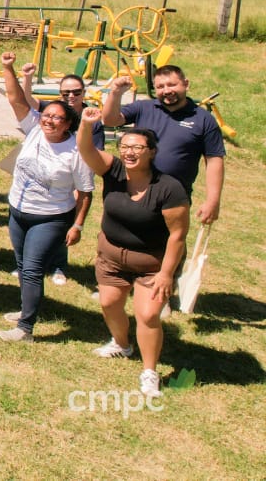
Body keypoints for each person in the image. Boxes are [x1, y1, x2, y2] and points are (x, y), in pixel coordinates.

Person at [76, 107, 190, 398]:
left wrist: (166, 274)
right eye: (124, 146)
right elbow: (86, 150)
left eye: (137, 147)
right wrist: (87, 124)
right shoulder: (113, 170)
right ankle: (122, 344)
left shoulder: (169, 188)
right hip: (112, 258)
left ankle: (149, 372)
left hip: (152, 264)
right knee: (109, 303)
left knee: (148, 315)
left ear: (152, 152)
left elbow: (177, 235)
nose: (129, 152)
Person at [0, 52, 95, 342]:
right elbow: (15, 99)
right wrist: (8, 67)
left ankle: (25, 328)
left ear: (68, 124)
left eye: (57, 118)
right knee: (23, 265)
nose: (49, 120)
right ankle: (26, 308)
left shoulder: (77, 152)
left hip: (50, 218)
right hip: (18, 211)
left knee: (32, 269)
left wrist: (77, 225)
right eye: (47, 115)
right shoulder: (34, 131)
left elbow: (85, 192)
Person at [101, 66, 224, 228]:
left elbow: (214, 161)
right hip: (135, 191)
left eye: (172, 85)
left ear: (186, 84)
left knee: (171, 240)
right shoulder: (143, 108)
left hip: (173, 198)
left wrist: (213, 201)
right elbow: (110, 120)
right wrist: (116, 93)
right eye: (160, 87)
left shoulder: (204, 120)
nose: (166, 90)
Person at [16, 65, 104, 285]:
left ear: (84, 92)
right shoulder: (53, 109)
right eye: (65, 93)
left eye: (76, 92)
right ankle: (28, 262)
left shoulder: (91, 118)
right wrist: (27, 78)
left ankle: (58, 265)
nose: (71, 96)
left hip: (74, 173)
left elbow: (95, 153)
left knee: (61, 220)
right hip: (43, 172)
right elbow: (27, 101)